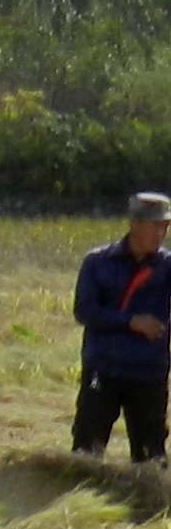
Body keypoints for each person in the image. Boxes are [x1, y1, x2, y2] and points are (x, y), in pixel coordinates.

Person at [71, 191, 171, 464]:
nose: (161, 232)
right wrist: (130, 322)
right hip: (103, 369)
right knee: (86, 452)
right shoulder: (98, 262)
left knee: (151, 458)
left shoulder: (168, 267)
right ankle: (79, 503)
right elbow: (84, 310)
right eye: (155, 225)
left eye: (165, 226)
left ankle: (149, 507)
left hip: (148, 373)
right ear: (134, 224)